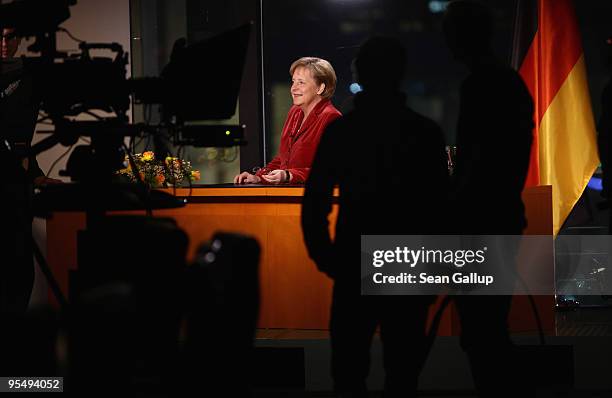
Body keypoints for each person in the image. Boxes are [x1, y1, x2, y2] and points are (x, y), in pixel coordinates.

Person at [302, 37, 449, 397]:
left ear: (359, 75)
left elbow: (315, 203)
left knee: (348, 375)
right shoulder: (425, 132)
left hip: (354, 261)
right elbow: (441, 208)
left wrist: (329, 260)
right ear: (400, 74)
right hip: (407, 261)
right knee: (403, 376)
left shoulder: (343, 131)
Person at [443, 2, 534, 396]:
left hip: (481, 222)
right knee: (487, 328)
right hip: (500, 216)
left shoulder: (481, 83)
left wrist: (452, 208)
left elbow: (476, 163)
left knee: (482, 332)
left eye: (450, 31)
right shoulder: (505, 80)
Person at [1, 26, 60, 313]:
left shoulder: (29, 77)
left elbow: (20, 141)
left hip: (15, 185)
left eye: (10, 36)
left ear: (19, 40)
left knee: (19, 263)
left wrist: (34, 173)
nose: (3, 43)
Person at [234, 57, 341, 185]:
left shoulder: (331, 117)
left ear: (320, 88)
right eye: (293, 82)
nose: (293, 88)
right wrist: (258, 177)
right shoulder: (294, 112)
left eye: (301, 82)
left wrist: (289, 175)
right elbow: (283, 159)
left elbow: (332, 169)